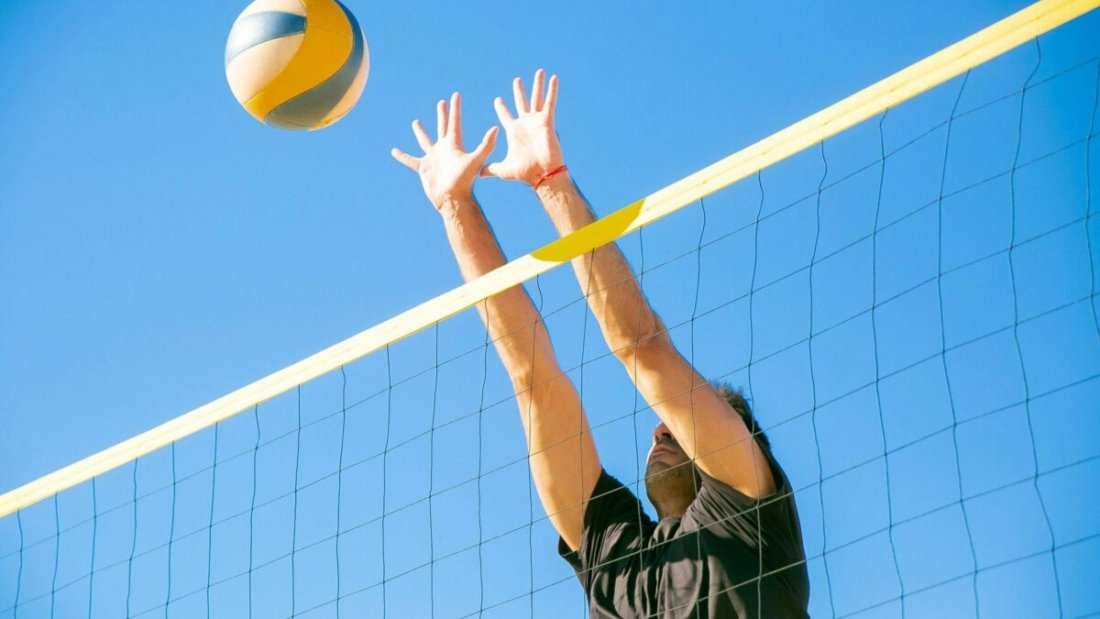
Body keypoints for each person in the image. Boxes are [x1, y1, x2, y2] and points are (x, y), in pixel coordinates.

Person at [392, 70, 810, 618]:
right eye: (664, 425)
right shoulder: (615, 560)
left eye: (679, 424)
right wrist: (455, 207)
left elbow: (642, 345)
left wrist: (551, 181)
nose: (660, 427)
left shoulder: (746, 509)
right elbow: (532, 378)